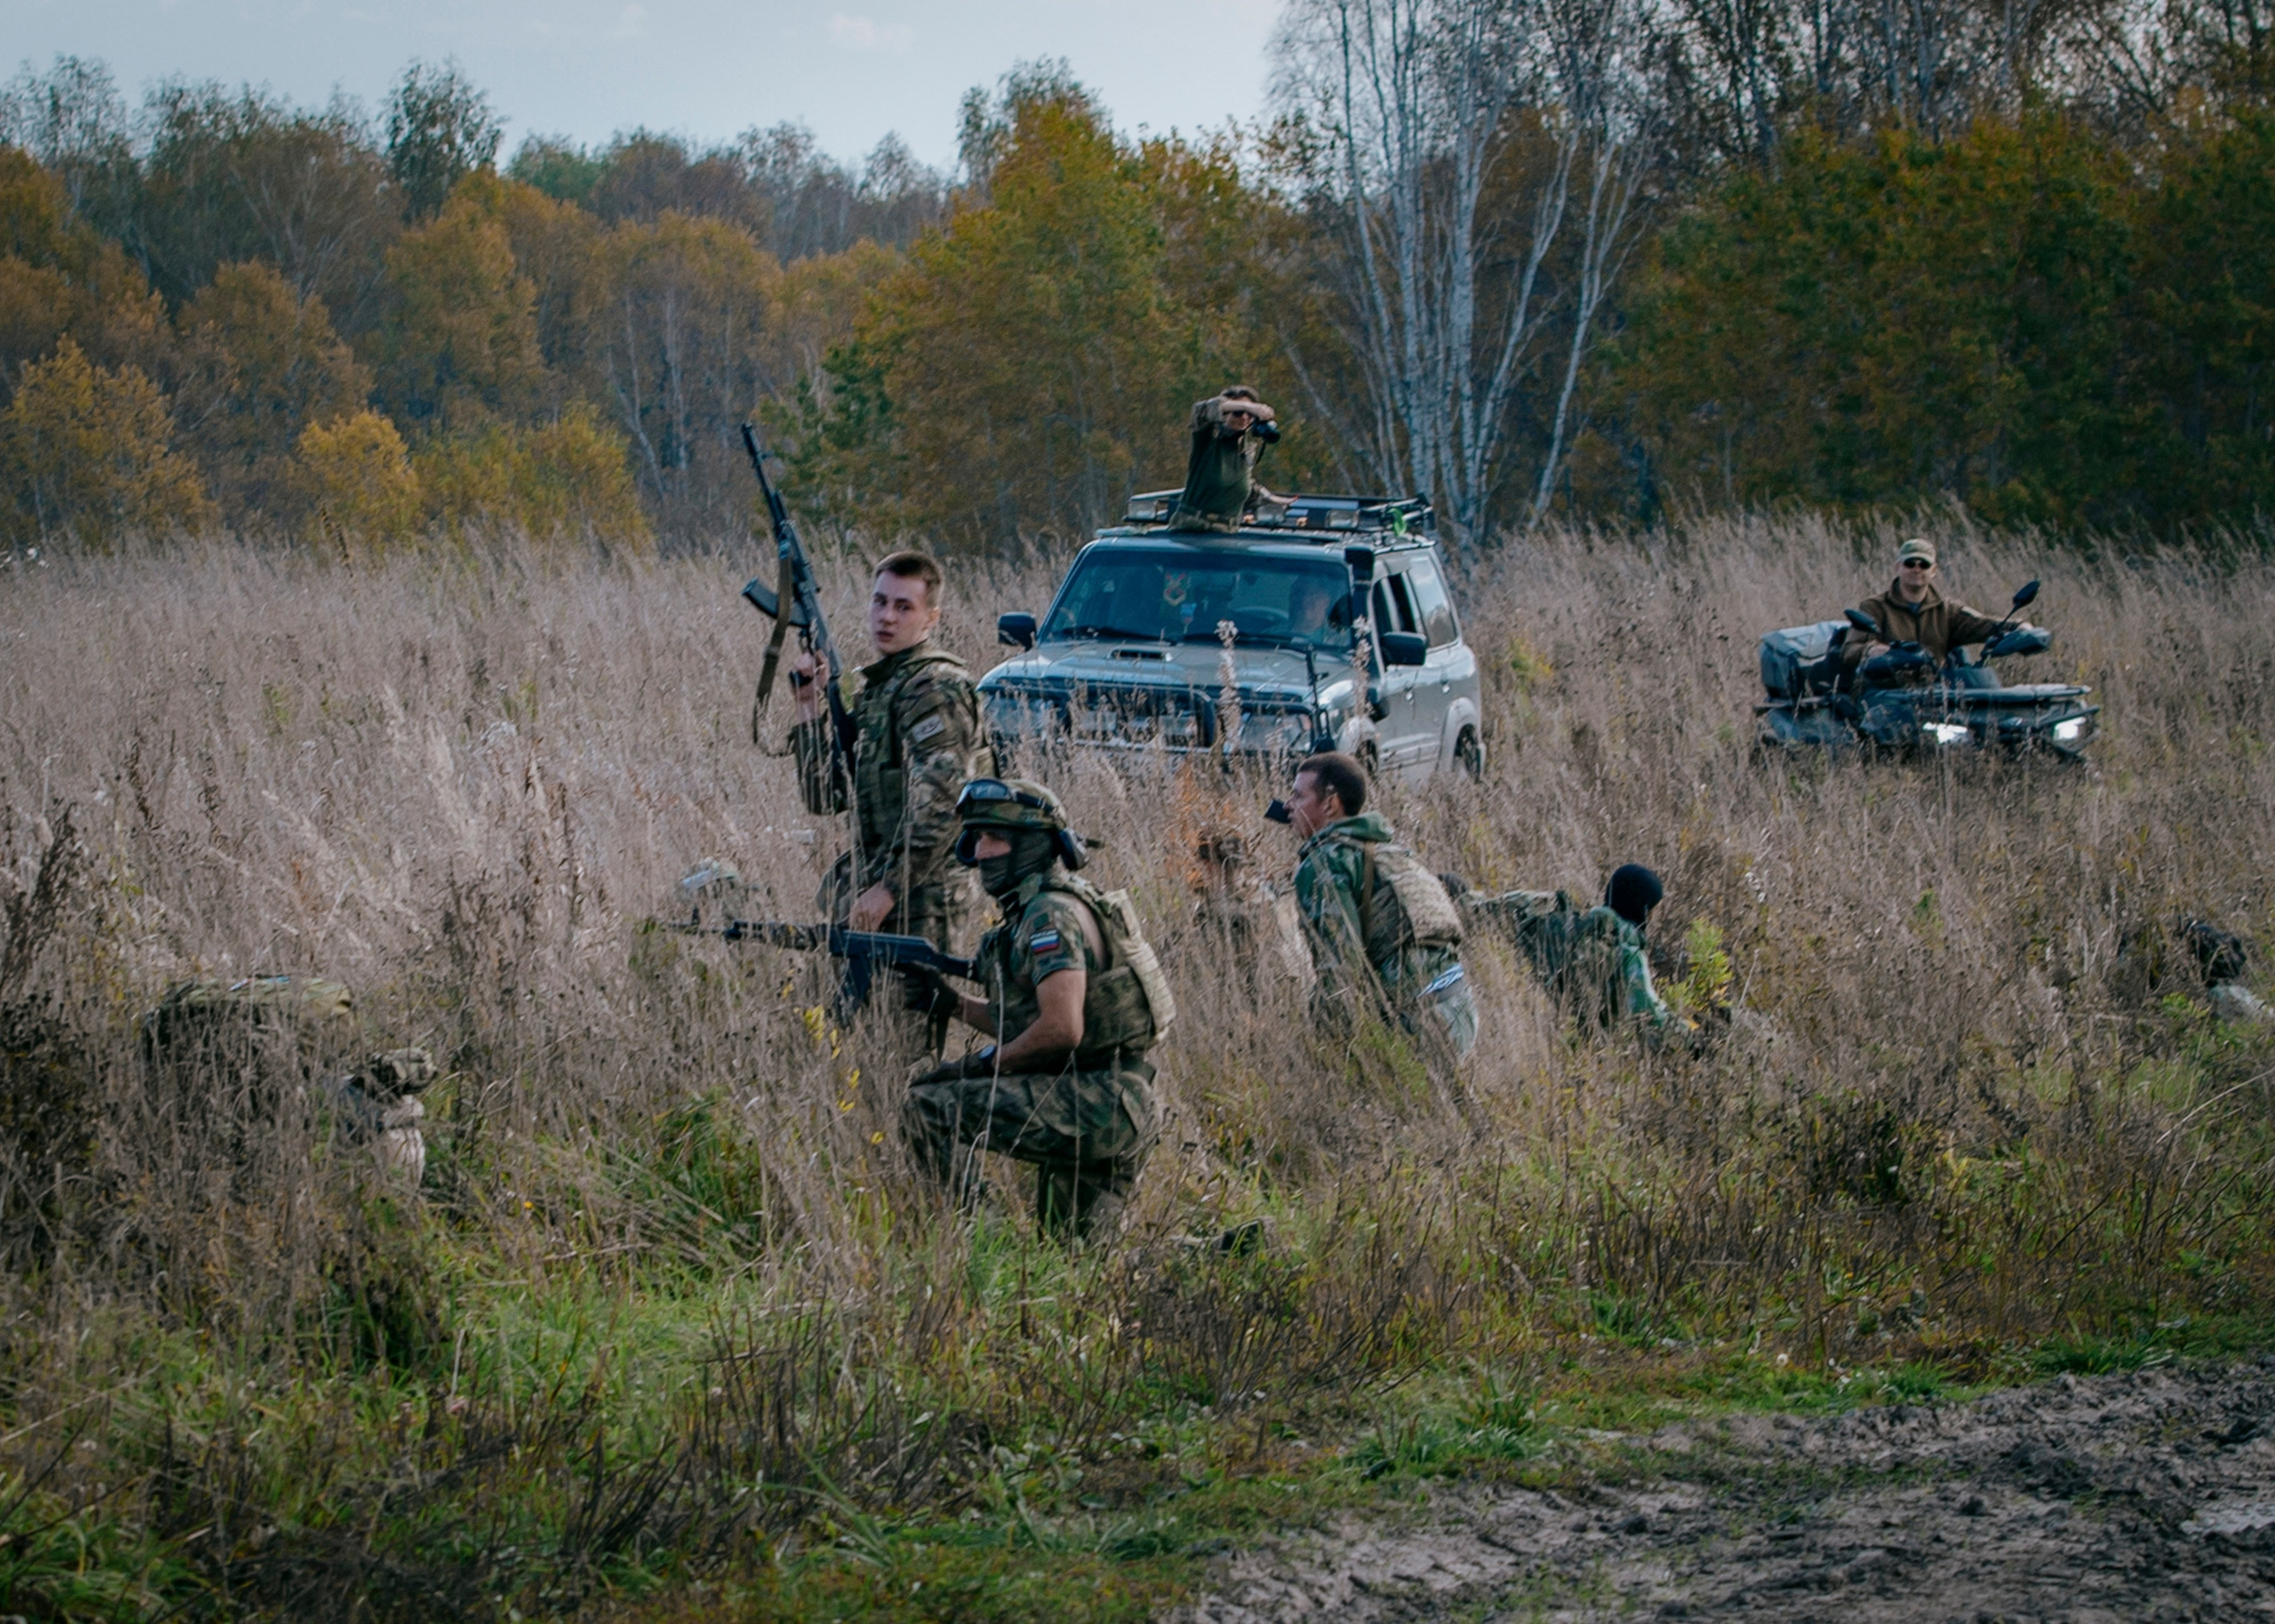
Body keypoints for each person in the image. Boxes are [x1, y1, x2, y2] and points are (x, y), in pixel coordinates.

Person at [900, 779, 1173, 1243]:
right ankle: (1231, 1249)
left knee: (924, 1108)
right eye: (977, 839)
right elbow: (1038, 1021)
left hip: (1099, 1101)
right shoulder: (1054, 903)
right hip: (1115, 1098)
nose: (982, 852)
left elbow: (1061, 1030)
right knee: (1082, 1258)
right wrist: (954, 1004)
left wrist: (978, 1065)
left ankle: (990, 1241)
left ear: (1031, 844)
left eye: (996, 838)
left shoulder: (1049, 916)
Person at [789, 551, 993, 963]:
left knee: (906, 1023)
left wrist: (888, 890)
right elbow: (826, 798)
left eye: (904, 607)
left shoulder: (935, 689)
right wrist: (808, 706)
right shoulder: (881, 690)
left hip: (922, 902)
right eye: (880, 602)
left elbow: (944, 807)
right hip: (874, 895)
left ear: (931, 618)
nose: (887, 617)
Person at [1279, 751, 1477, 1079]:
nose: (1287, 805)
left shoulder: (1323, 863)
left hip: (1418, 1024)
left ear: (1330, 804)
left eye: (1299, 796)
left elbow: (1340, 972)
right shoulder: (1391, 850)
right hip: (1460, 1007)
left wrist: (1319, 1057)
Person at [1462, 864, 1673, 1039]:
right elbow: (1650, 1016)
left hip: (1528, 1030)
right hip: (1581, 1052)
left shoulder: (1567, 924)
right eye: (1653, 908)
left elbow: (1490, 911)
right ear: (1643, 909)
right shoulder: (1628, 953)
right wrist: (1695, 1041)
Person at [1841, 537, 2040, 673]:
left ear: (1934, 570)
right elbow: (1849, 651)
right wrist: (1872, 651)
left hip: (1936, 691)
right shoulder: (1875, 607)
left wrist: (2018, 627)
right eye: (1910, 563)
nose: (1917, 569)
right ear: (1898, 567)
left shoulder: (1946, 610)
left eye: (1924, 565)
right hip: (1885, 690)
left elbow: (1984, 624)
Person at [1169, 386, 1284, 533]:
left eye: (1249, 414)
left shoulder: (1246, 450)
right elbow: (1200, 410)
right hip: (1193, 527)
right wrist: (1248, 406)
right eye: (1237, 413)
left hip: (1227, 531)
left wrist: (1271, 498)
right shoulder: (1209, 440)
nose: (1244, 417)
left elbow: (1238, 483)